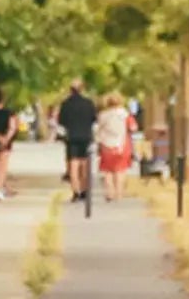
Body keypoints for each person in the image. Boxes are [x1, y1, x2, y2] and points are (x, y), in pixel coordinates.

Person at [54, 78, 99, 210]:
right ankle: (85, 190)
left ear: (70, 90)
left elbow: (61, 123)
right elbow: (94, 120)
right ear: (82, 89)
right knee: (85, 164)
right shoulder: (89, 103)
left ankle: (76, 191)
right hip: (86, 136)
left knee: (73, 164)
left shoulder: (65, 104)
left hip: (71, 137)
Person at [93, 92, 136, 201]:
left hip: (106, 145)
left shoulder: (103, 115)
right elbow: (133, 127)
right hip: (122, 145)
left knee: (108, 171)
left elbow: (98, 129)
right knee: (120, 170)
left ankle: (109, 192)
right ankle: (119, 193)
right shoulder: (125, 114)